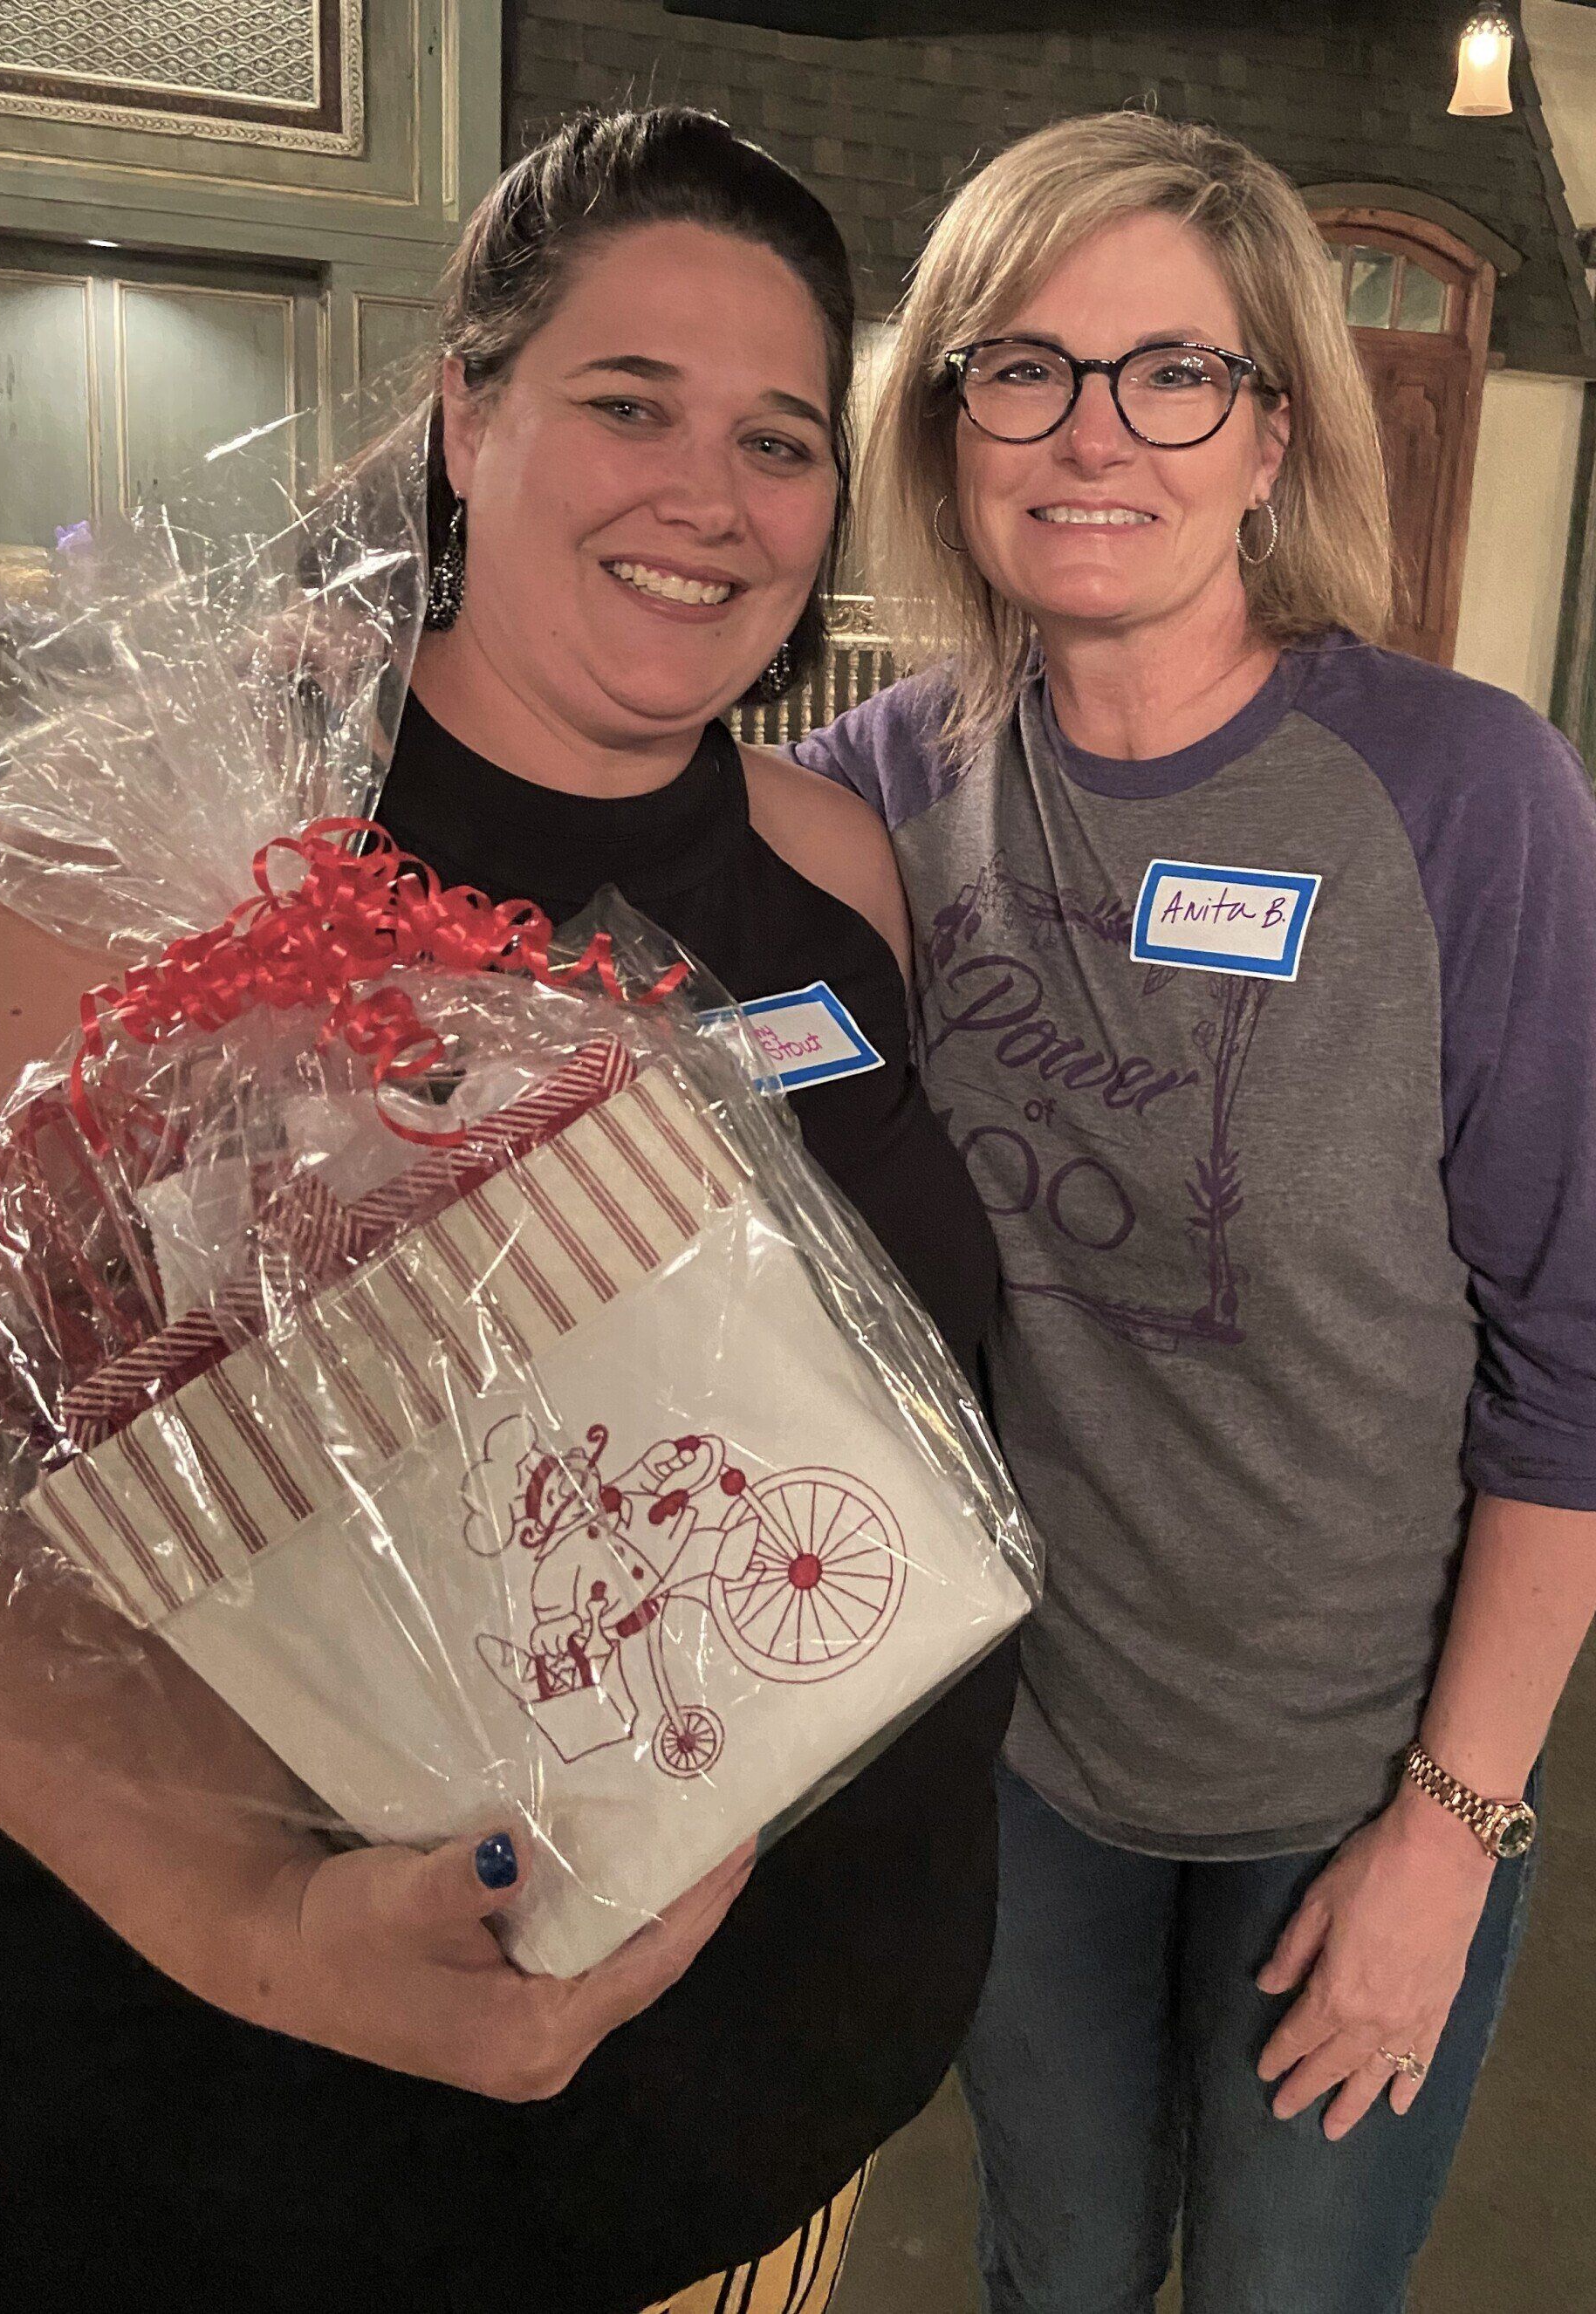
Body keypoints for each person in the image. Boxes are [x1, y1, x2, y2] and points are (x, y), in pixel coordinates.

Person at [0, 109, 1016, 2314]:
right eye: (628, 403)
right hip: (239, 2178)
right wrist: (242, 1918)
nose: (709, 496)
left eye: (780, 439)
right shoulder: (131, 877)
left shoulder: (835, 867)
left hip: (774, 2155)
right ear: (463, 413)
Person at [787, 109, 1596, 2314]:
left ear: (1268, 436)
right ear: (950, 421)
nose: (1091, 433)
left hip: (1355, 1777)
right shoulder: (886, 789)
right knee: (1053, 2274)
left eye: (1176, 372)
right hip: (1026, 1755)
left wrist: (1455, 1831)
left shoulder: (1464, 793)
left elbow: (1574, 1371)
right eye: (1021, 367)